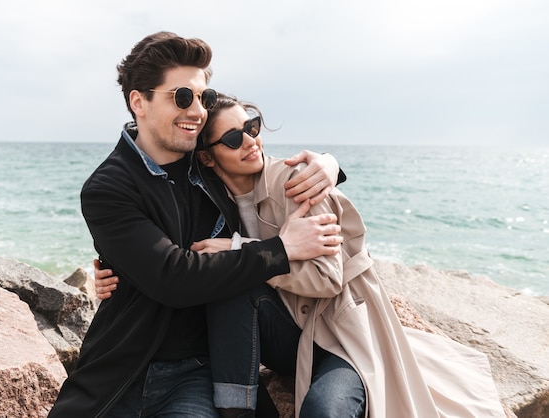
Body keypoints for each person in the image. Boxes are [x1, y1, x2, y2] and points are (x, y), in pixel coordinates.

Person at [97, 94, 507, 418]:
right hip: (288, 332)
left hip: (338, 337)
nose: (251, 141)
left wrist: (250, 247)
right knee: (230, 282)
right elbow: (162, 244)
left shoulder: (295, 183)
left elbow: (327, 280)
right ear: (206, 156)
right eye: (233, 138)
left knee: (324, 410)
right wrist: (113, 270)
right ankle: (240, 409)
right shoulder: (211, 198)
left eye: (252, 127)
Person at [48, 31, 345, 418]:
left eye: (202, 98)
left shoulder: (208, 162)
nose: (197, 111)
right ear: (139, 101)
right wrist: (281, 251)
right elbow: (172, 277)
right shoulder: (107, 188)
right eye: (182, 97)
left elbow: (259, 165)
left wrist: (327, 164)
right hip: (123, 367)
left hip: (198, 372)